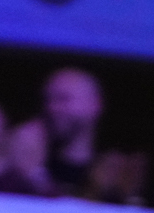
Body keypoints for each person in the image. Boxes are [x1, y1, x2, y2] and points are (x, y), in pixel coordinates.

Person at [10, 67, 141, 204]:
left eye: (63, 99)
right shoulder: (32, 164)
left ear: (95, 104)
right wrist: (32, 173)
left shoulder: (114, 170)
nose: (51, 108)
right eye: (47, 100)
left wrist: (126, 196)